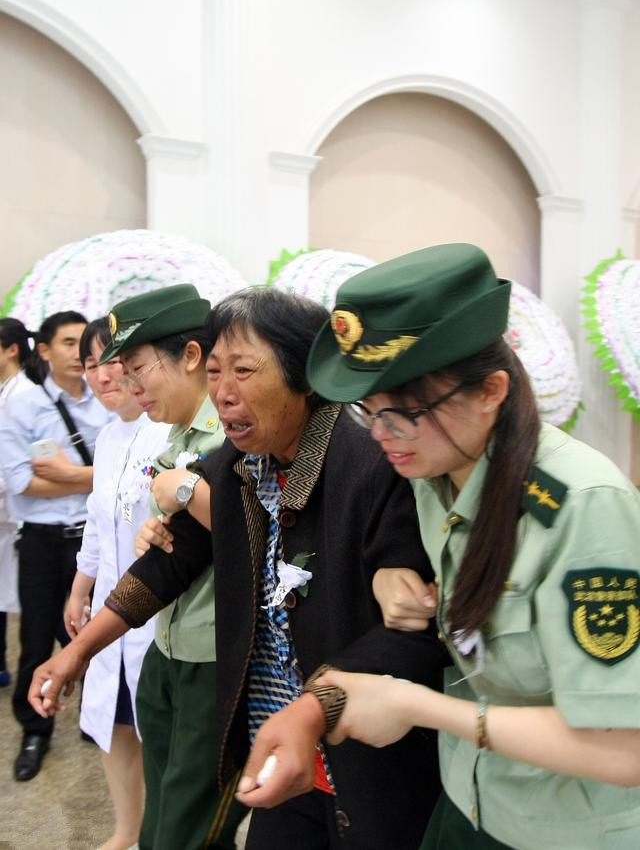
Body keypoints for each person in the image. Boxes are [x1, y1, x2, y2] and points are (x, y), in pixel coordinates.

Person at [29, 287, 448, 850]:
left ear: (305, 376)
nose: (222, 394)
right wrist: (78, 651)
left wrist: (314, 709)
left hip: (361, 755)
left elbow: (411, 632)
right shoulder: (234, 465)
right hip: (275, 750)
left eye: (244, 371)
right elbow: (167, 565)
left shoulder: (371, 467)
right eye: (217, 372)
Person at [299, 242, 640, 849]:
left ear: (491, 391)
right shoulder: (435, 472)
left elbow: (623, 748)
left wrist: (416, 707)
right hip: (470, 800)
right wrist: (390, 570)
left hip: (562, 826)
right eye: (368, 412)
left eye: (403, 413)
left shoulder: (583, 508)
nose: (383, 437)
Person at [97, 284, 245, 850]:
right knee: (160, 820)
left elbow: (260, 529)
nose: (130, 386)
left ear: (190, 356)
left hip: (215, 657)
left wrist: (185, 491)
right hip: (167, 646)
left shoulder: (236, 429)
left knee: (191, 832)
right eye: (122, 372)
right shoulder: (172, 437)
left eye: (138, 368)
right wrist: (155, 524)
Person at [66, 317, 170, 850]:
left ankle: (156, 834)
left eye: (110, 360)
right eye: (89, 365)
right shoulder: (107, 438)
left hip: (154, 613)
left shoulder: (167, 432)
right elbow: (97, 522)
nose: (102, 376)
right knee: (116, 724)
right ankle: (125, 830)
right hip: (108, 607)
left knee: (156, 731)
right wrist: (79, 588)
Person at [0, 310, 110, 781]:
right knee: (36, 638)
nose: (77, 354)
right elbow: (21, 482)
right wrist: (94, 478)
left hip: (94, 536)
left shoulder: (105, 398)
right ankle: (34, 730)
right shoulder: (21, 403)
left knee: (97, 632)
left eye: (82, 345)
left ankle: (94, 715)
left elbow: (122, 468)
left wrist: (71, 476)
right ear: (42, 350)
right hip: (43, 541)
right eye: (67, 343)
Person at [0, 319, 36, 688]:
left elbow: (18, 466)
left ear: (12, 349)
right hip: (11, 518)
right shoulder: (7, 392)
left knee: (40, 610)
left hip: (22, 519)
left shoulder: (23, 396)